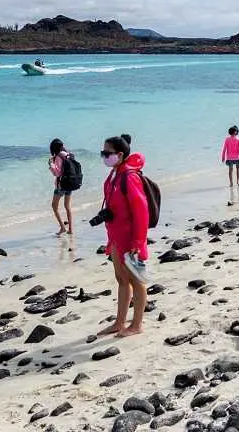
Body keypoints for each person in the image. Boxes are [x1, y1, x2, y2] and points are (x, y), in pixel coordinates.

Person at [98, 134, 149, 338]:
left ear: (119, 155)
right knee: (121, 279)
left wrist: (138, 241)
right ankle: (119, 322)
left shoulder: (129, 176)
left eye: (107, 153)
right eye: (102, 153)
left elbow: (141, 211)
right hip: (116, 237)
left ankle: (137, 324)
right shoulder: (115, 174)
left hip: (130, 239)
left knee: (137, 280)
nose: (104, 156)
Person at [48, 138, 73, 236]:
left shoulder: (58, 157)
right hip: (70, 184)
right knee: (67, 206)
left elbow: (57, 173)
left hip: (61, 185)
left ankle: (63, 228)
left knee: (54, 206)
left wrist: (51, 164)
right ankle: (70, 229)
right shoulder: (68, 154)